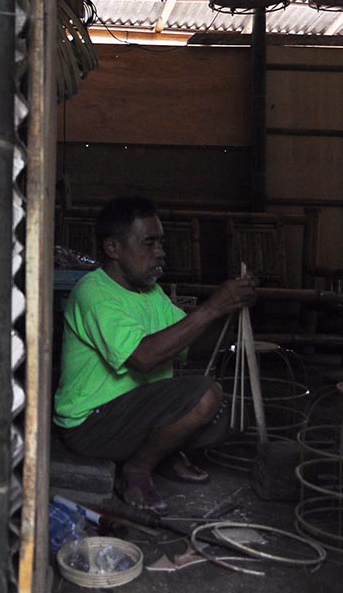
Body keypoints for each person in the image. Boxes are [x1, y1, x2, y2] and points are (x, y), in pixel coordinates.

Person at [53, 196, 256, 514]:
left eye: (160, 243)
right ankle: (138, 469)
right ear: (113, 248)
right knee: (204, 397)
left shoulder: (150, 293)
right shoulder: (93, 293)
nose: (160, 252)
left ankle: (161, 453)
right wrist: (212, 306)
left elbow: (189, 343)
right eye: (149, 243)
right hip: (89, 425)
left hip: (128, 414)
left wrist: (229, 312)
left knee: (222, 415)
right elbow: (144, 357)